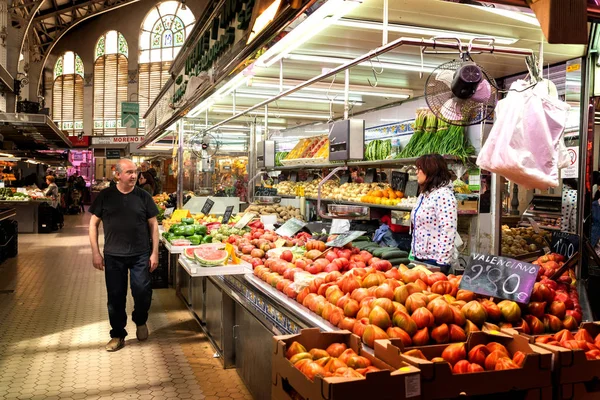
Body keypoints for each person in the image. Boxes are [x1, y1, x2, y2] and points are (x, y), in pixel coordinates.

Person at [89, 158, 159, 352]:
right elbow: (93, 224)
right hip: (113, 255)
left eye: (135, 172)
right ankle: (118, 334)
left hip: (140, 254)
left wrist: (154, 253)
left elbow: (153, 225)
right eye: (129, 172)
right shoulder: (106, 196)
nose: (134, 176)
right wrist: (95, 252)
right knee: (116, 296)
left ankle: (140, 320)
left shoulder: (143, 196)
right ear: (117, 174)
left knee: (142, 292)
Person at [410, 154, 458, 274]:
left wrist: (442, 264)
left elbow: (448, 230)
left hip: (435, 261)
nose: (416, 172)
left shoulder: (444, 195)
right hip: (419, 258)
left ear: (430, 171)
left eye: (419, 169)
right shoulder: (424, 194)